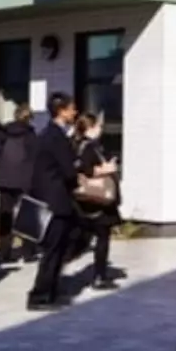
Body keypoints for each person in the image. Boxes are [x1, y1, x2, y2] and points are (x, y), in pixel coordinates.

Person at [26, 93, 82, 312]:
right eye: (72, 108)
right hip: (55, 201)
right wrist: (77, 173)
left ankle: (50, 292)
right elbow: (68, 170)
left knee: (57, 249)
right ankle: (40, 295)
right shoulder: (55, 137)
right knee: (52, 251)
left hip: (51, 199)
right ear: (61, 111)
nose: (74, 112)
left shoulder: (49, 134)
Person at [72, 113, 122, 292]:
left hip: (88, 201)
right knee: (101, 237)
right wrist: (106, 169)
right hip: (96, 200)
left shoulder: (79, 144)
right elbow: (84, 168)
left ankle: (98, 273)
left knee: (88, 237)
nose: (101, 129)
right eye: (99, 126)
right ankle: (99, 276)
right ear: (90, 128)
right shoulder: (88, 146)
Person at [0, 104, 37, 265]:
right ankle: (28, 251)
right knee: (28, 215)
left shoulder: (3, 132)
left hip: (4, 180)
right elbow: (35, 158)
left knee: (5, 216)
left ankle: (4, 252)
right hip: (25, 181)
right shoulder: (30, 134)